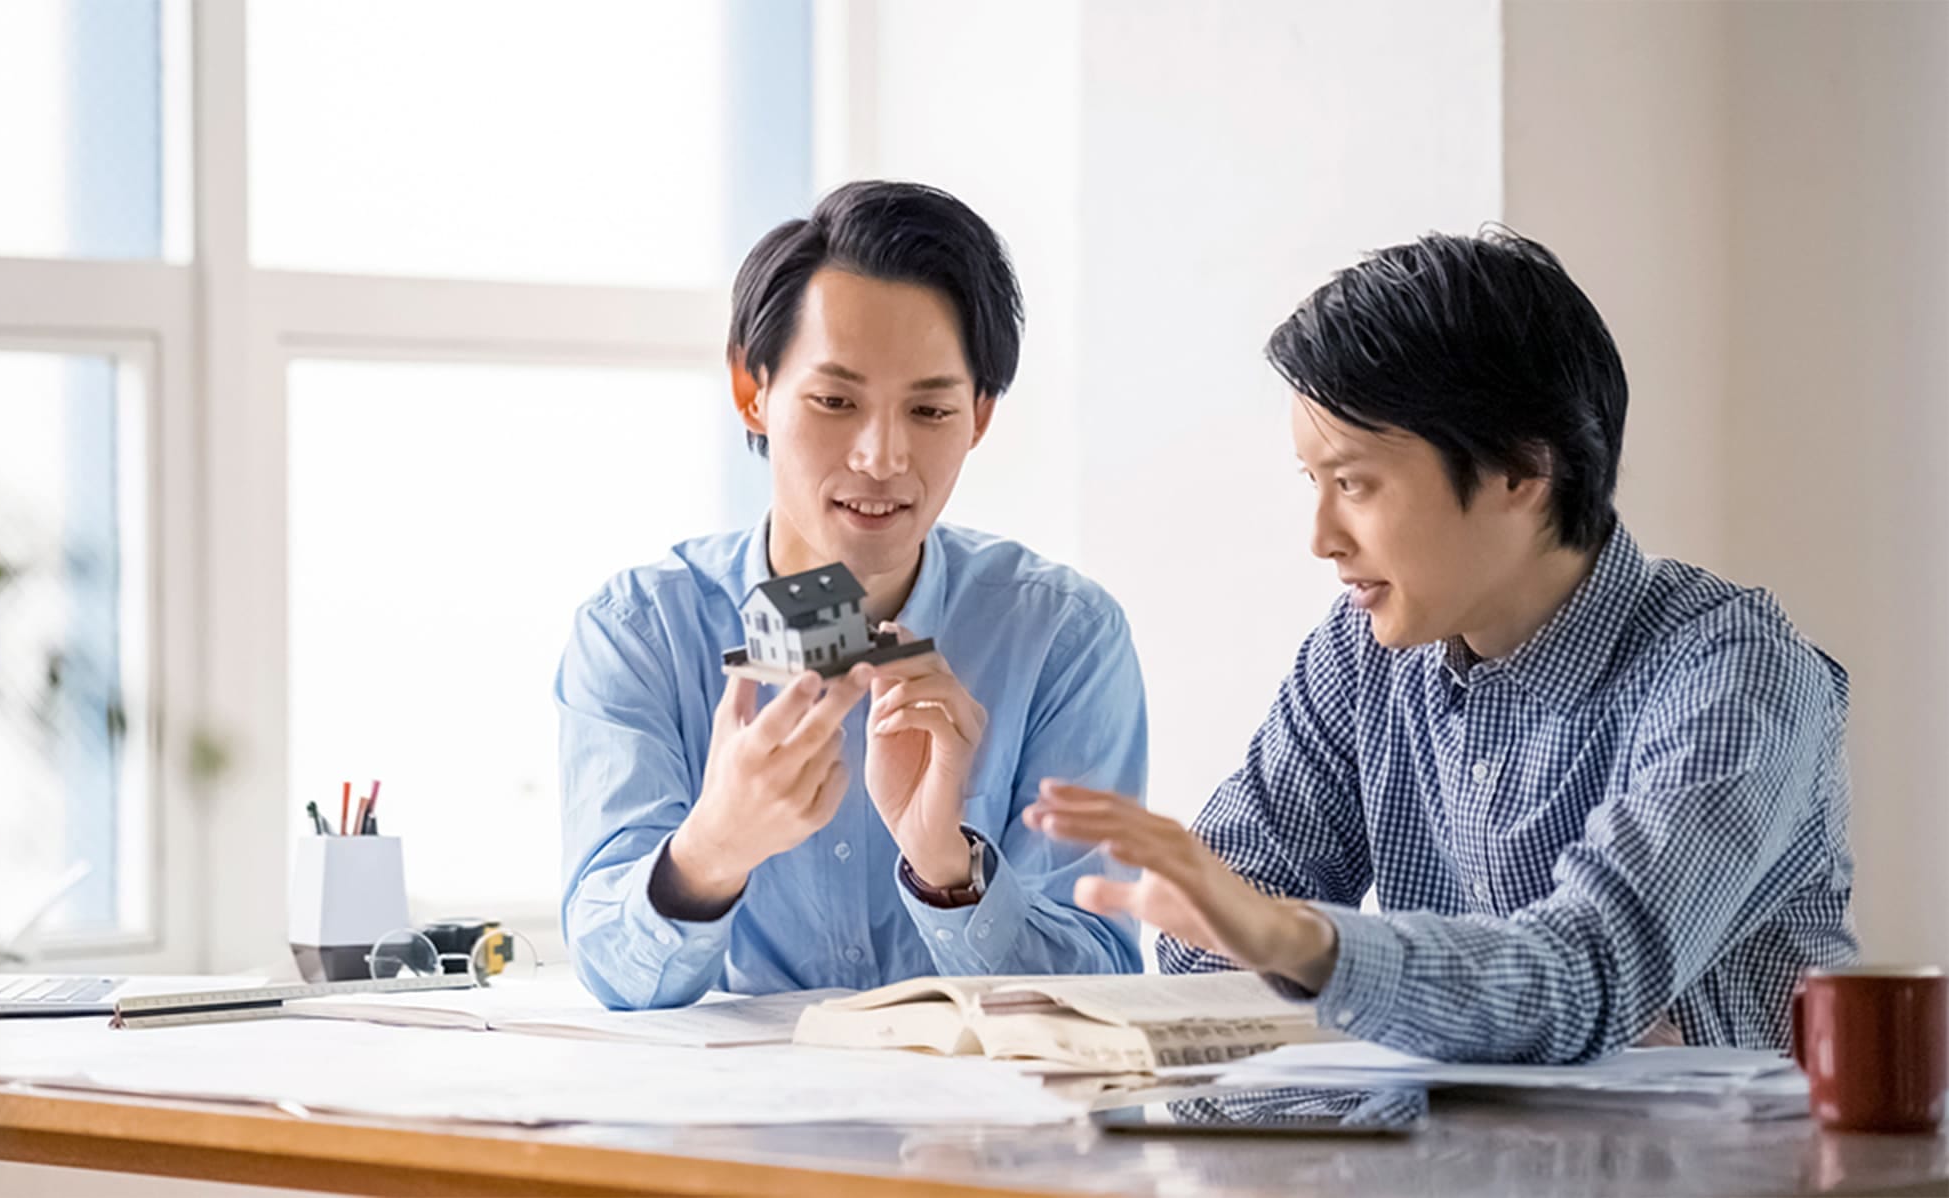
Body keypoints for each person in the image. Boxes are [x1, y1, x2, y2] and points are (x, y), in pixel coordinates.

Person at [1030, 228, 1855, 1062]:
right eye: (1311, 483)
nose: (1321, 538)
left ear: (1519, 469)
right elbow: (1215, 931)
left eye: (1353, 483)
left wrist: (1311, 946)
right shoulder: (1362, 652)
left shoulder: (1738, 675)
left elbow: (1583, 980)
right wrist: (1267, 934)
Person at [559, 181, 1148, 1010]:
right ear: (751, 391)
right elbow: (612, 970)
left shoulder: (1060, 635)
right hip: (730, 1125)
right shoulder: (642, 631)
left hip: (982, 1129)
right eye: (835, 401)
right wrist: (711, 849)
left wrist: (950, 871)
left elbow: (1106, 983)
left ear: (980, 415)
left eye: (930, 409)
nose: (881, 456)